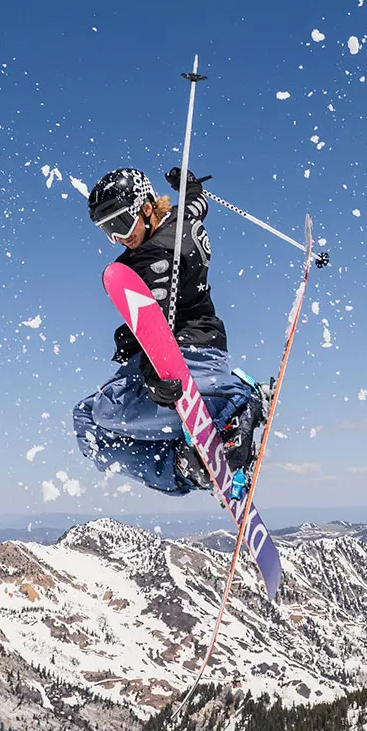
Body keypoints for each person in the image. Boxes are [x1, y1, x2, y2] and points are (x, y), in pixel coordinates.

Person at [71, 167, 266, 499]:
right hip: (208, 353)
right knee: (87, 420)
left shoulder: (154, 256)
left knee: (99, 415)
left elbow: (155, 314)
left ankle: (231, 404)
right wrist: (189, 188)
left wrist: (153, 371)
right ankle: (185, 462)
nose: (117, 238)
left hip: (181, 357)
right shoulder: (181, 221)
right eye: (107, 229)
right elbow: (195, 205)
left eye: (120, 223)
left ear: (145, 208)